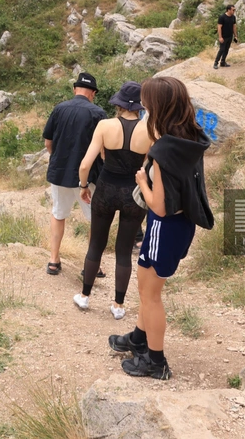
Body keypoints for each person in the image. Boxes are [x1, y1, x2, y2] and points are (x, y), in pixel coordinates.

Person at [109, 77, 214, 380]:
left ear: (158, 107)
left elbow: (159, 206)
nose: (143, 109)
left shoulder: (165, 151)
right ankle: (138, 339)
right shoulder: (188, 138)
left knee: (150, 295)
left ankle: (156, 362)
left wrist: (142, 181)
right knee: (147, 289)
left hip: (164, 227)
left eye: (146, 104)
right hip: (180, 226)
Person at [74, 81, 151, 320]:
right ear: (139, 106)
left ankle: (85, 296)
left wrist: (84, 186)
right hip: (133, 193)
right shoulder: (150, 130)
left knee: (96, 244)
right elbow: (150, 165)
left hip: (106, 189)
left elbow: (85, 165)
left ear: (119, 103)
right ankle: (118, 305)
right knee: (124, 250)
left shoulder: (105, 125)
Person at [42, 72, 107, 275]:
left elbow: (48, 142)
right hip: (88, 176)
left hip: (60, 173)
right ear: (93, 93)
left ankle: (53, 260)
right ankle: (91, 265)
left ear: (74, 89)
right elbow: (103, 151)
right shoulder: (98, 113)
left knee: (58, 213)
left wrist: (58, 159)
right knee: (95, 219)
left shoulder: (59, 109)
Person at [214, 5, 237, 69]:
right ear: (229, 10)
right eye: (233, 10)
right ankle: (216, 63)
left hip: (230, 36)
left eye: (234, 10)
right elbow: (219, 27)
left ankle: (223, 62)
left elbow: (234, 27)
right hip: (223, 37)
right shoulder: (222, 17)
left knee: (226, 49)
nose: (234, 11)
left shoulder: (233, 17)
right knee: (221, 50)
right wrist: (220, 37)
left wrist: (235, 36)